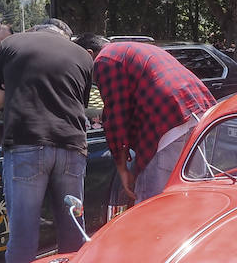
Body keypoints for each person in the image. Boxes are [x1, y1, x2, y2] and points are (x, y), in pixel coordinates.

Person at [0, 18, 94, 263]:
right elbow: (81, 102)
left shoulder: (11, 44)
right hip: (72, 146)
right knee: (73, 229)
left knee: (23, 233)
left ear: (34, 30)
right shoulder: (83, 56)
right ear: (67, 36)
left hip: (26, 143)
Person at [74, 36, 216, 203]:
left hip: (170, 118)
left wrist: (122, 170)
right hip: (199, 110)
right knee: (190, 194)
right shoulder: (131, 49)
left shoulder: (104, 60)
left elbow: (116, 116)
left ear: (88, 53)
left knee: (151, 201)